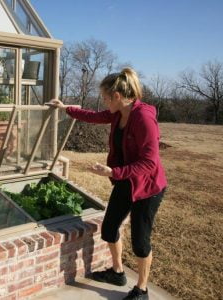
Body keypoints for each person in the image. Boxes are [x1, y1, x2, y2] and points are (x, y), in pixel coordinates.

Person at [48, 68, 167, 300]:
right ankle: (117, 272)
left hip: (148, 188)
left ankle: (142, 290)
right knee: (109, 228)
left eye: (104, 97)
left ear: (117, 96)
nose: (103, 101)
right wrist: (65, 109)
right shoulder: (117, 113)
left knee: (141, 242)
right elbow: (93, 116)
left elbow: (150, 163)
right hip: (125, 181)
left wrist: (114, 171)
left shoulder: (143, 118)